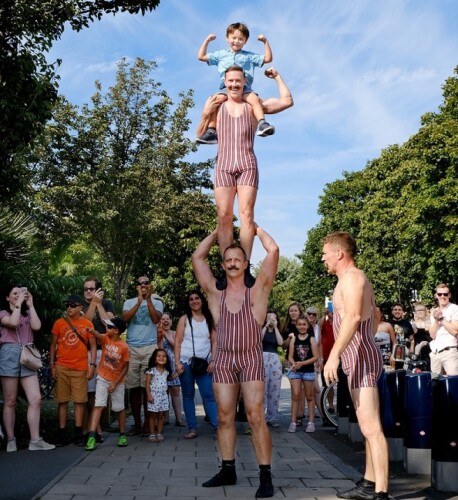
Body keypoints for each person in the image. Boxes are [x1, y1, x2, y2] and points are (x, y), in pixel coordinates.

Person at [192, 224, 279, 498]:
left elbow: (273, 250)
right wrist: (217, 232)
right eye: (228, 260)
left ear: (245, 264)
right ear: (222, 265)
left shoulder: (259, 290)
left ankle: (265, 476)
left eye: (237, 260)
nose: (232, 264)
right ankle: (228, 469)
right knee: (224, 417)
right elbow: (197, 257)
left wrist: (255, 229)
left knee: (255, 416)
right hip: (224, 360)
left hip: (251, 359)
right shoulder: (214, 293)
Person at [196, 65, 292, 289]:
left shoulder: (252, 105)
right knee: (224, 217)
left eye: (238, 81)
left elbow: (287, 101)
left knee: (246, 215)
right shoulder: (217, 105)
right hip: (224, 166)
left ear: (244, 82)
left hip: (247, 164)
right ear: (224, 82)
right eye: (230, 81)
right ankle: (226, 266)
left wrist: (277, 77)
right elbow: (200, 135)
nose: (234, 85)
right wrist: (205, 112)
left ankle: (245, 266)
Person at [322, 232, 390, 500]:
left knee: (372, 428)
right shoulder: (348, 279)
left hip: (361, 359)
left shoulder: (352, 278)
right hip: (358, 357)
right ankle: (369, 484)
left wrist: (334, 355)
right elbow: (374, 315)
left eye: (325, 253)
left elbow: (353, 317)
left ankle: (381, 492)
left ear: (339, 253)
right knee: (366, 427)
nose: (323, 258)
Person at [197, 22, 275, 143]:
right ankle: (212, 131)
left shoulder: (249, 56)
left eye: (240, 39)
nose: (236, 41)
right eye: (234, 38)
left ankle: (262, 123)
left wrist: (265, 42)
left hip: (244, 86)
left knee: (254, 99)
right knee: (215, 101)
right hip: (226, 87)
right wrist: (207, 40)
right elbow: (201, 56)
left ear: (245, 41)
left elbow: (268, 59)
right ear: (227, 38)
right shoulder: (221, 54)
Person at [0, 284, 55, 452]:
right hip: (9, 354)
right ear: (7, 298)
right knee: (10, 400)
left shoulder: (27, 314)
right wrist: (18, 305)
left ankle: (35, 440)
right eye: (14, 293)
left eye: (21, 293)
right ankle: (11, 440)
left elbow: (37, 326)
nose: (19, 296)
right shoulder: (3, 313)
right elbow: (12, 322)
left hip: (28, 354)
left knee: (36, 398)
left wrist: (30, 305)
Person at [50, 294, 97, 446]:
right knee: (62, 401)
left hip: (80, 368)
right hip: (62, 366)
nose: (68, 308)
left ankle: (78, 434)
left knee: (79, 401)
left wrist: (92, 365)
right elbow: (53, 345)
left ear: (80, 307)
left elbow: (93, 346)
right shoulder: (59, 323)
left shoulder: (87, 323)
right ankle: (62, 433)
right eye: (67, 305)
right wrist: (52, 365)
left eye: (72, 305)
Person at [122, 275, 163, 436]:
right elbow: (125, 319)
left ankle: (147, 424)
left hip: (149, 348)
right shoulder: (129, 302)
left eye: (146, 283)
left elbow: (156, 319)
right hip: (132, 347)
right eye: (140, 283)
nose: (143, 285)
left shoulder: (157, 302)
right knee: (133, 388)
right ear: (136, 286)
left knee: (147, 388)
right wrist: (139, 302)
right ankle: (137, 424)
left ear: (150, 285)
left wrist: (148, 300)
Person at [174, 290, 218, 439]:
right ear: (188, 303)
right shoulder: (184, 319)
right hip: (186, 362)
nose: (194, 301)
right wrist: (177, 362)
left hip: (204, 364)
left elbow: (214, 341)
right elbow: (178, 342)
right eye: (191, 299)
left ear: (202, 300)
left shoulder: (209, 319)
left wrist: (213, 360)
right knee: (188, 395)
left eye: (197, 298)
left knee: (209, 395)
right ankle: (192, 428)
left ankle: (217, 428)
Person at [85, 317, 130, 451]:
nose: (107, 328)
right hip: (102, 378)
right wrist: (91, 330)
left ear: (116, 331)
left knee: (119, 408)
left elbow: (125, 367)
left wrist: (115, 383)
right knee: (98, 405)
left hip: (118, 381)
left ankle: (122, 434)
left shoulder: (124, 346)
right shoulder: (105, 338)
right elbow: (98, 335)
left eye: (109, 327)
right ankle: (92, 436)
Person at [82, 277, 115, 442]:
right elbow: (84, 323)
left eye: (91, 289)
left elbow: (109, 324)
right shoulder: (79, 304)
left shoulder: (107, 303)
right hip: (86, 353)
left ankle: (98, 426)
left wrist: (99, 304)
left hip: (103, 351)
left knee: (100, 391)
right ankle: (95, 429)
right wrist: (93, 304)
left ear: (98, 290)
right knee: (89, 392)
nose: (88, 291)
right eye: (86, 289)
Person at [287, 314, 319, 434]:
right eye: (299, 324)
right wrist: (294, 363)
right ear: (296, 325)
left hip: (308, 371)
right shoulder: (294, 339)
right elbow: (290, 356)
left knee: (309, 396)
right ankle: (293, 422)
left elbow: (315, 357)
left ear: (307, 326)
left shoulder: (311, 339)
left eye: (304, 324)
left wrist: (302, 363)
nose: (302, 327)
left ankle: (311, 422)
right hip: (296, 372)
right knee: (295, 396)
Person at [158, 313, 185, 427]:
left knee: (175, 391)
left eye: (167, 319)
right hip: (163, 365)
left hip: (174, 364)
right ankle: (166, 418)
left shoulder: (175, 333)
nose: (165, 321)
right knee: (163, 392)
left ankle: (179, 418)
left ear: (171, 321)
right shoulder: (158, 334)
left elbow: (176, 346)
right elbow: (159, 349)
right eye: (163, 319)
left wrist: (165, 334)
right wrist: (160, 334)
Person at [145, 348, 178, 442]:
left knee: (161, 415)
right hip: (153, 396)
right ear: (154, 359)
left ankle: (159, 433)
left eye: (164, 356)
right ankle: (152, 433)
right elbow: (147, 384)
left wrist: (178, 373)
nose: (161, 358)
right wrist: (149, 395)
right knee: (152, 415)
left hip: (163, 396)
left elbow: (170, 378)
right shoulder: (151, 371)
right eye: (159, 356)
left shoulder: (166, 371)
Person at [429, 283, 458, 375]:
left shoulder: (454, 308)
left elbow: (455, 331)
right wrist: (436, 320)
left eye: (445, 294)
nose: (442, 296)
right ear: (436, 296)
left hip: (449, 352)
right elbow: (432, 335)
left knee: (452, 381)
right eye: (440, 294)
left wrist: (441, 318)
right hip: (435, 353)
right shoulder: (434, 311)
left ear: (449, 295)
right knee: (435, 382)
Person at [261, 310, 283, 428]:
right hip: (262, 358)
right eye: (269, 317)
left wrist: (275, 328)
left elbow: (280, 342)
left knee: (274, 389)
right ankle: (261, 417)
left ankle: (272, 417)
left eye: (273, 318)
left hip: (274, 359)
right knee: (262, 389)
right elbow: (258, 339)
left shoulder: (276, 331)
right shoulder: (262, 329)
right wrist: (265, 326)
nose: (271, 320)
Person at [318, 305, 336, 414]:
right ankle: (330, 405)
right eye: (330, 312)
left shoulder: (339, 322)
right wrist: (324, 315)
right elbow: (318, 326)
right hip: (325, 357)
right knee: (328, 383)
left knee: (341, 382)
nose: (332, 314)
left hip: (338, 357)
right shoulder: (324, 322)